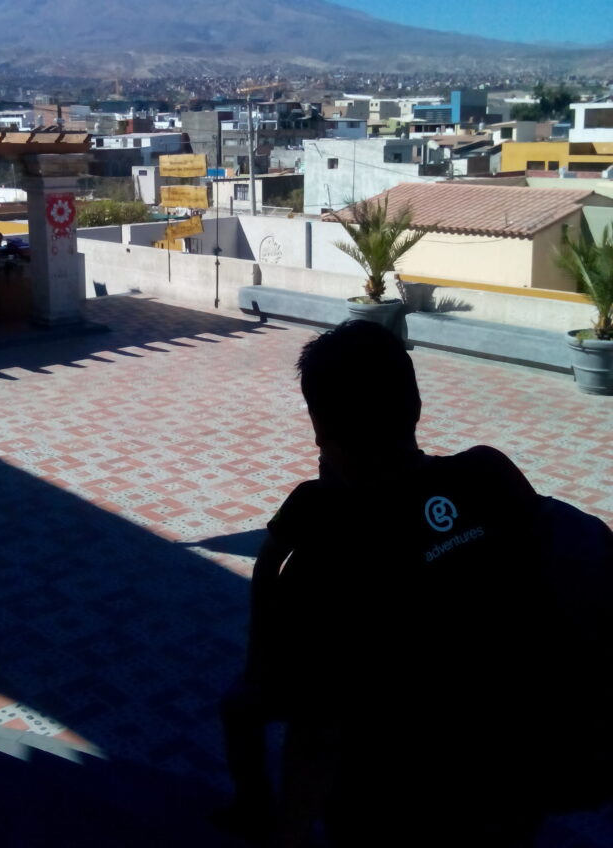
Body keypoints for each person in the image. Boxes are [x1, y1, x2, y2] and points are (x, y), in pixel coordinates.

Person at [220, 320, 613, 847]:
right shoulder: (488, 474)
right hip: (514, 776)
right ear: (417, 405)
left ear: (319, 428)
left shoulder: (327, 551)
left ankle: (249, 810)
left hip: (391, 807)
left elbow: (316, 735)